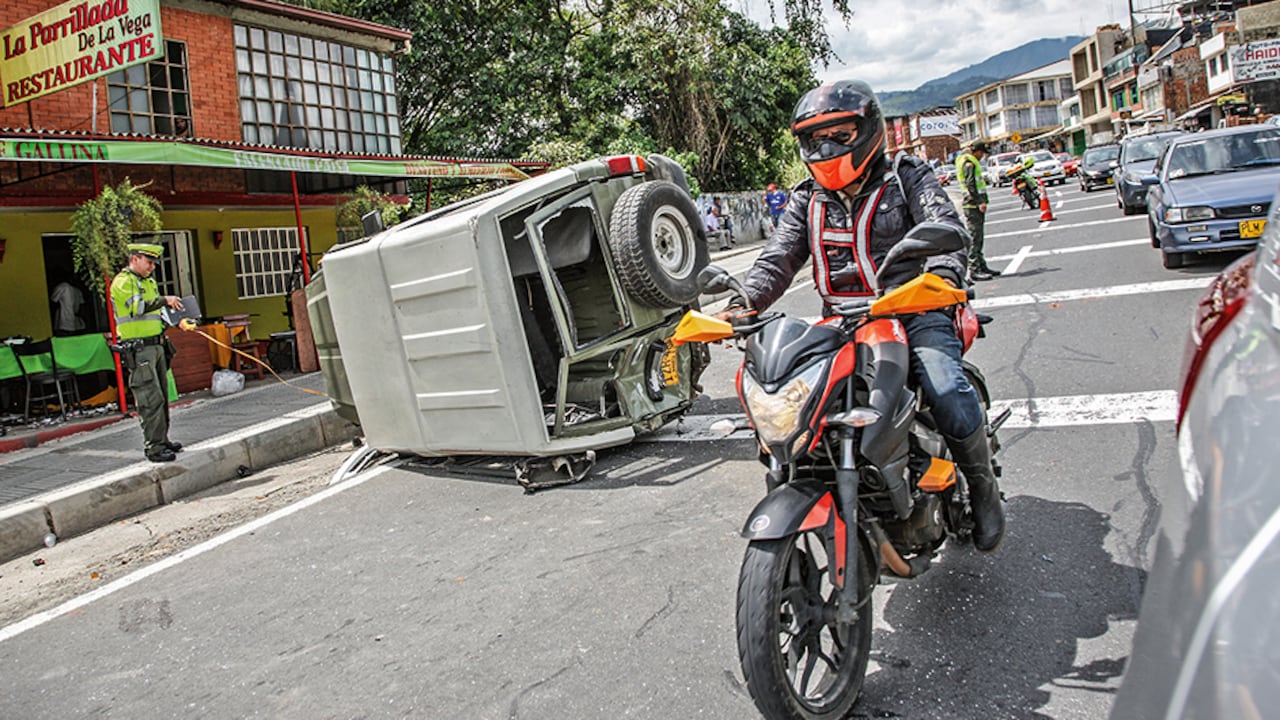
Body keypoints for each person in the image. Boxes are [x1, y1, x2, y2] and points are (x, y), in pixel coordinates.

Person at [714, 79, 1005, 552]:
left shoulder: (907, 177)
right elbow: (777, 259)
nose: (827, 147)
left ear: (869, 130)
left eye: (840, 135)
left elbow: (945, 228)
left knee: (944, 385)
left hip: (914, 310)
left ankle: (983, 488)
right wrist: (741, 303)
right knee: (792, 399)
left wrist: (942, 277)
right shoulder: (807, 199)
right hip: (843, 323)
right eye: (815, 139)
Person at [110, 243, 186, 463]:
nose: (152, 267)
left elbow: (157, 312)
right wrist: (165, 300)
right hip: (140, 348)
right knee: (149, 398)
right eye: (149, 262)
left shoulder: (148, 282)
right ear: (134, 259)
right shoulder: (124, 282)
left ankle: (162, 439)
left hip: (156, 345)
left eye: (154, 263)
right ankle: (154, 447)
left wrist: (176, 319)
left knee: (161, 396)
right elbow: (138, 308)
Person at [955, 140, 998, 281]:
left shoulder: (966, 160)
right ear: (977, 152)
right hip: (972, 205)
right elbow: (971, 184)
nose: (982, 156)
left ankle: (981, 265)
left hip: (973, 204)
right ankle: (974, 269)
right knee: (974, 238)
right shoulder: (969, 163)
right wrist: (979, 201)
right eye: (982, 153)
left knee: (978, 238)